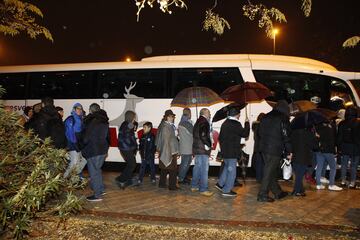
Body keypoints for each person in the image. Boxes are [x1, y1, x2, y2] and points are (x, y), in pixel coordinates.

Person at [257, 100, 292, 202]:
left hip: (264, 148)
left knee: (270, 170)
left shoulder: (266, 116)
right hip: (275, 149)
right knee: (268, 171)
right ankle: (262, 195)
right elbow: (286, 136)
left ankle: (277, 192)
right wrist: (289, 151)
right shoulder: (283, 118)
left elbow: (259, 133)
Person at [216, 107, 250, 197]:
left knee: (227, 169)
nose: (239, 116)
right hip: (231, 152)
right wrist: (247, 123)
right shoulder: (235, 124)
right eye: (239, 114)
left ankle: (220, 184)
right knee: (232, 172)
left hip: (225, 152)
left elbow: (220, 138)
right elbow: (245, 134)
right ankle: (226, 190)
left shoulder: (225, 123)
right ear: (236, 114)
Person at [81, 103, 110, 202]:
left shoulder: (92, 121)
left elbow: (86, 138)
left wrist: (82, 144)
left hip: (93, 149)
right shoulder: (104, 120)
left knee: (93, 173)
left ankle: (97, 195)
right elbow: (108, 137)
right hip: (103, 149)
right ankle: (100, 189)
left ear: (90, 110)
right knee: (97, 170)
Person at [191, 108, 214, 197]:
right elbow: (203, 135)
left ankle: (194, 185)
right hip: (203, 149)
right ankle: (203, 189)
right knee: (204, 170)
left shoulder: (198, 121)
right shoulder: (204, 122)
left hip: (197, 149)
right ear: (205, 113)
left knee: (197, 168)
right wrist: (208, 144)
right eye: (209, 113)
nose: (210, 115)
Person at [315, 120, 343, 191]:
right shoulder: (329, 128)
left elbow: (317, 138)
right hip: (328, 150)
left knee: (319, 167)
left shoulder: (317, 127)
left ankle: (318, 184)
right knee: (333, 167)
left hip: (319, 149)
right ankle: (331, 185)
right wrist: (334, 151)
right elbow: (332, 141)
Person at [155, 110, 179, 190]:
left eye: (173, 116)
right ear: (167, 117)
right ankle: (172, 186)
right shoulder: (166, 127)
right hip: (169, 150)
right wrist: (169, 152)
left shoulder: (167, 125)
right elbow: (166, 140)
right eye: (171, 116)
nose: (172, 118)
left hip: (166, 150)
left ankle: (162, 184)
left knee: (164, 168)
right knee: (173, 169)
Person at [290, 126, 318, 196]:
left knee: (298, 174)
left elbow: (290, 144)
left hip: (295, 156)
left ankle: (300, 190)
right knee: (300, 175)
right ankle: (296, 191)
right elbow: (315, 146)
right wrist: (316, 138)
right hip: (304, 157)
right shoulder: (309, 134)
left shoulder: (293, 133)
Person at [337, 106, 360, 189]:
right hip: (356, 147)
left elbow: (339, 137)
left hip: (344, 146)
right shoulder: (358, 122)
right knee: (354, 166)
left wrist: (339, 148)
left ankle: (343, 181)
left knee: (344, 164)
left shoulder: (342, 123)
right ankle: (352, 183)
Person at [115, 110, 138, 189]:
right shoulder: (128, 125)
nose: (135, 118)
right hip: (127, 148)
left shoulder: (124, 124)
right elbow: (129, 138)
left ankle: (122, 177)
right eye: (134, 117)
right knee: (132, 164)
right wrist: (134, 146)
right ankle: (122, 180)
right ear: (131, 117)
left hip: (123, 148)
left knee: (130, 164)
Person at [64, 103, 86, 178]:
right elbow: (70, 135)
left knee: (83, 160)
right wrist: (75, 145)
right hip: (72, 145)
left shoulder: (81, 119)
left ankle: (74, 178)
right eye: (78, 108)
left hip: (79, 145)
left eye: (81, 108)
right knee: (74, 163)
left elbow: (82, 133)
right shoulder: (70, 119)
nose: (79, 110)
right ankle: (64, 178)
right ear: (74, 109)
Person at [177, 108, 194, 184]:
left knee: (184, 163)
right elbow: (194, 133)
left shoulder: (181, 122)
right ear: (189, 113)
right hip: (187, 147)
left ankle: (182, 177)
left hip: (184, 146)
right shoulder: (187, 123)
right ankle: (181, 179)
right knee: (185, 163)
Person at [252, 113, 266, 183]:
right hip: (262, 148)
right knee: (263, 164)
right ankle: (262, 179)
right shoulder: (262, 127)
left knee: (258, 164)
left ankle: (258, 178)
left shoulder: (255, 126)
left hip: (257, 148)